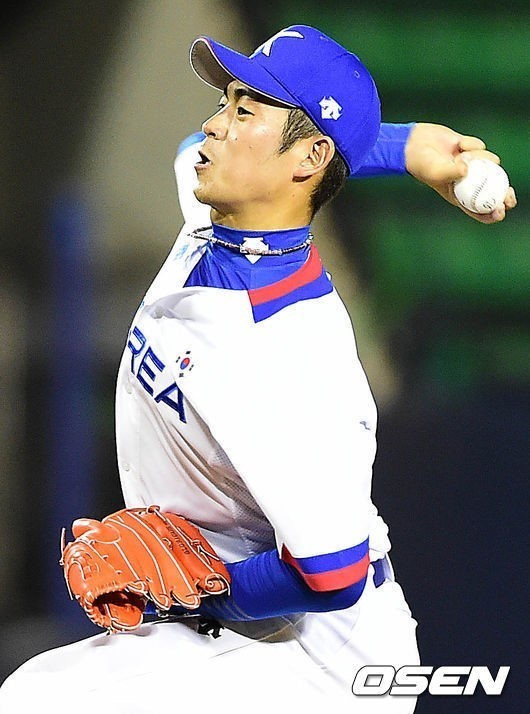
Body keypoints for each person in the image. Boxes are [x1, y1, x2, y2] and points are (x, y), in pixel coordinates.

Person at [0, 24, 516, 714]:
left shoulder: (288, 358)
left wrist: (196, 591)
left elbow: (332, 573)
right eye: (226, 103)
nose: (215, 126)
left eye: (246, 111)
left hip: (316, 662)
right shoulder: (216, 209)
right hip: (236, 627)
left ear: (309, 157)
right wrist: (407, 146)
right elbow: (219, 150)